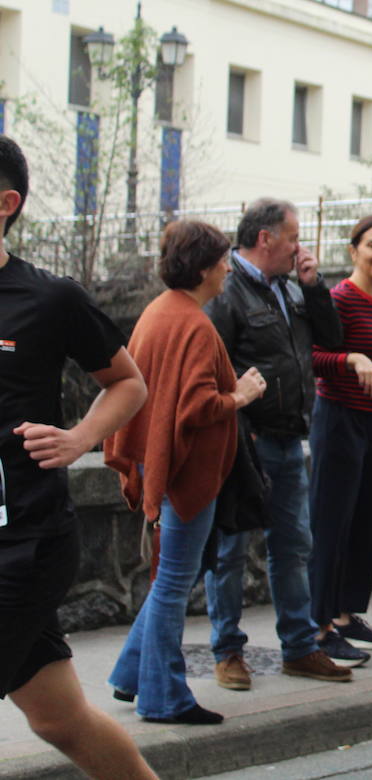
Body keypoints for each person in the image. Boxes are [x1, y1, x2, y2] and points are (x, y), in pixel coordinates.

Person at [0, 135, 157, 778]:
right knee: (59, 719)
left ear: (5, 203)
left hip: (25, 543)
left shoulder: (48, 297)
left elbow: (129, 382)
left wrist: (80, 439)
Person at [105, 221, 267, 725]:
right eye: (221, 261)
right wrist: (240, 395)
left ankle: (133, 675)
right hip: (186, 475)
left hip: (164, 468)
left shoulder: (160, 311)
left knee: (172, 578)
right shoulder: (194, 323)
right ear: (202, 268)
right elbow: (194, 406)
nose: (226, 269)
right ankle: (164, 697)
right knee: (174, 583)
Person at [204, 198, 351, 688]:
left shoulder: (290, 288)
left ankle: (299, 646)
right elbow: (211, 367)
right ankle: (227, 651)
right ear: (265, 238)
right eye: (292, 237)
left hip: (290, 439)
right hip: (245, 442)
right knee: (229, 550)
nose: (299, 246)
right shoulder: (226, 291)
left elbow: (330, 340)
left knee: (293, 547)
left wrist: (314, 288)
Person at [308, 215, 372, 664]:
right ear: (353, 251)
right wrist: (349, 359)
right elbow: (310, 355)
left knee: (366, 525)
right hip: (340, 421)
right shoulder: (338, 299)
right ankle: (319, 626)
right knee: (331, 526)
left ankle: (346, 615)